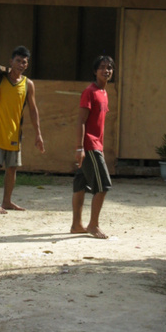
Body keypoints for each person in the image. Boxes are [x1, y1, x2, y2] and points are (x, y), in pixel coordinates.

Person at [0, 45, 44, 214]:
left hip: (15, 132)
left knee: (12, 168)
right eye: (18, 61)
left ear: (27, 64)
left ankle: (7, 201)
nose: (21, 65)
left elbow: (33, 109)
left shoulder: (27, 84)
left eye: (24, 62)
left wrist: (38, 133)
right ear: (11, 61)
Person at [70, 54, 115, 239]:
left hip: (96, 145)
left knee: (80, 185)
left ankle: (76, 225)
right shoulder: (90, 91)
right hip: (89, 146)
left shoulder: (104, 93)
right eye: (102, 67)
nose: (106, 70)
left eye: (109, 68)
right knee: (103, 186)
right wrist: (80, 148)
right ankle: (93, 225)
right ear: (95, 71)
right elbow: (81, 120)